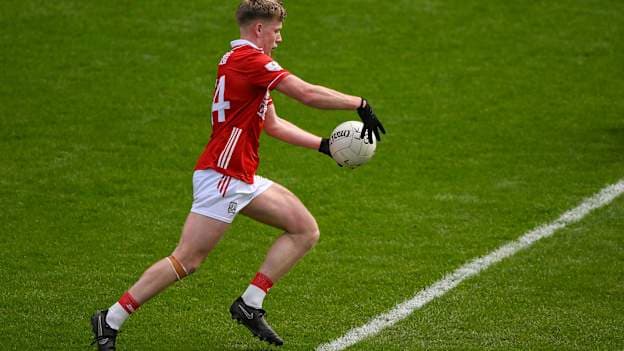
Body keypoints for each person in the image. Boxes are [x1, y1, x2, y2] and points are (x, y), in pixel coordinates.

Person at [90, 0, 385, 349]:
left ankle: (250, 303)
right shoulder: (250, 61)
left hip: (241, 176)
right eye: (276, 31)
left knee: (304, 229)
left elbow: (272, 125)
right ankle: (110, 319)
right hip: (222, 177)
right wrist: (359, 103)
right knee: (187, 259)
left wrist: (323, 145)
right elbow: (304, 93)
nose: (278, 39)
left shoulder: (241, 64)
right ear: (258, 29)